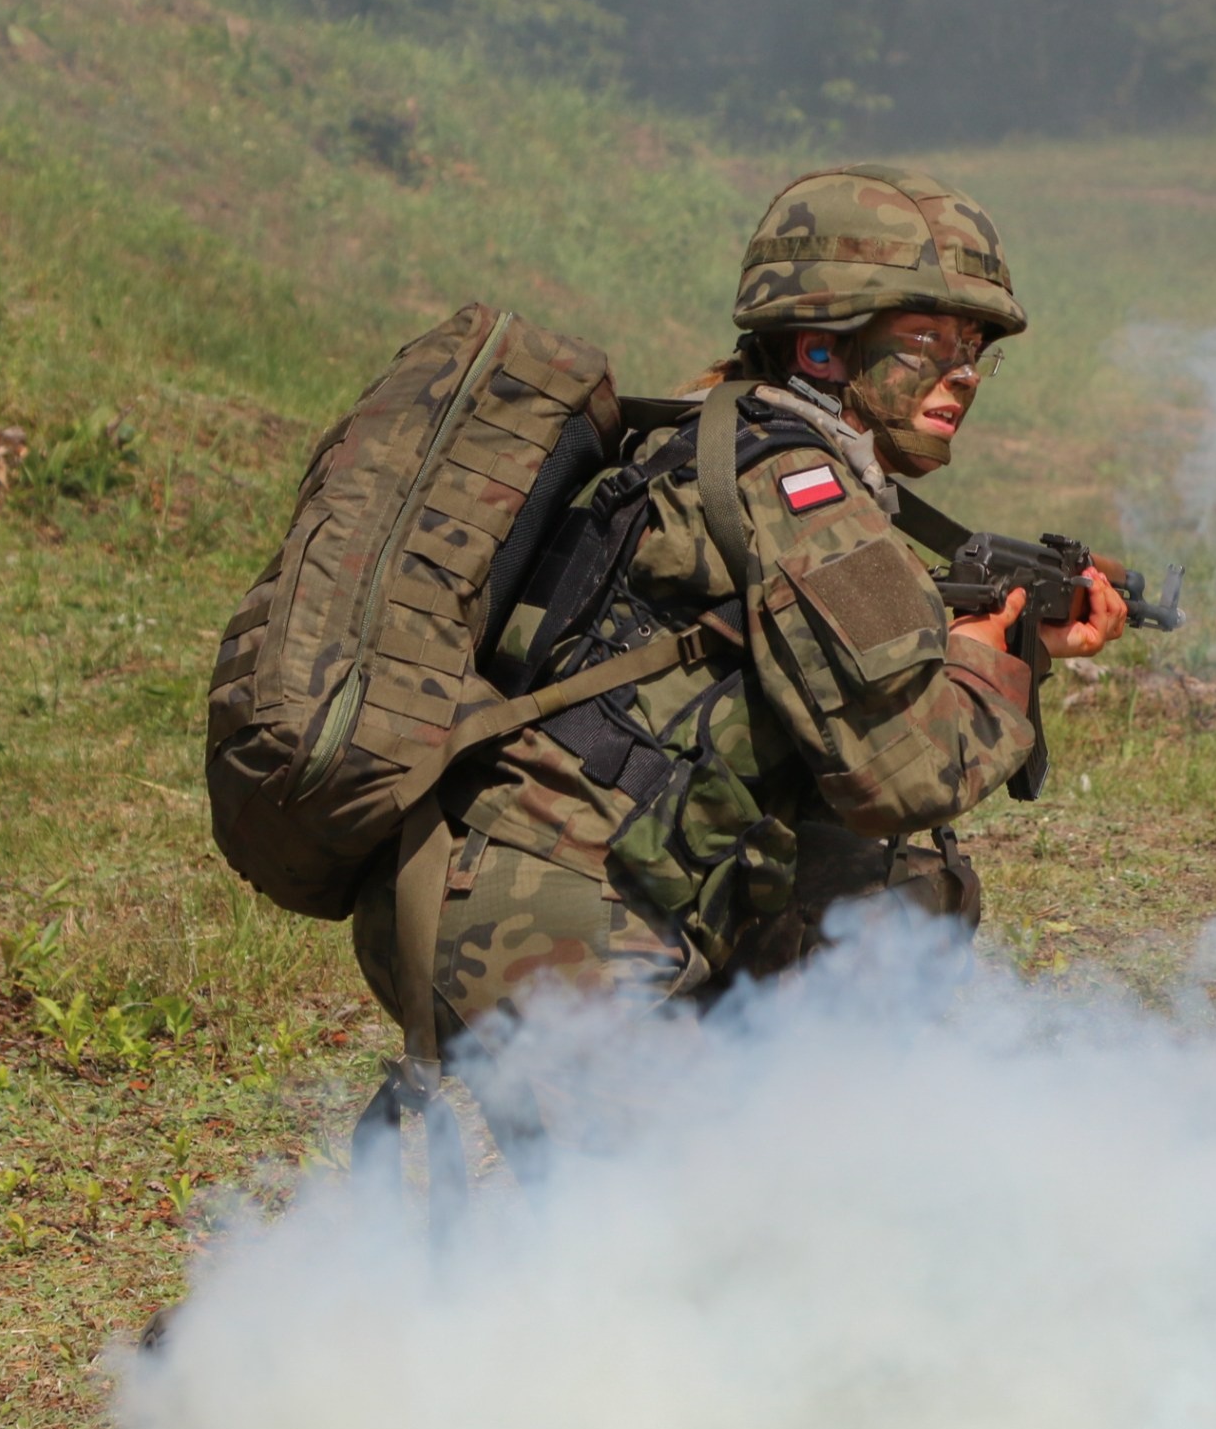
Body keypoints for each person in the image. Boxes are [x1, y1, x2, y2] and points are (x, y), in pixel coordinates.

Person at [349, 163, 1126, 1110]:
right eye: (925, 339)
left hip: (465, 891)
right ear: (822, 347)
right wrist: (989, 656)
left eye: (973, 346)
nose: (961, 374)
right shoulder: (805, 491)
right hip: (544, 941)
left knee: (901, 889)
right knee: (710, 1239)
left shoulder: (716, 432)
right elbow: (904, 774)